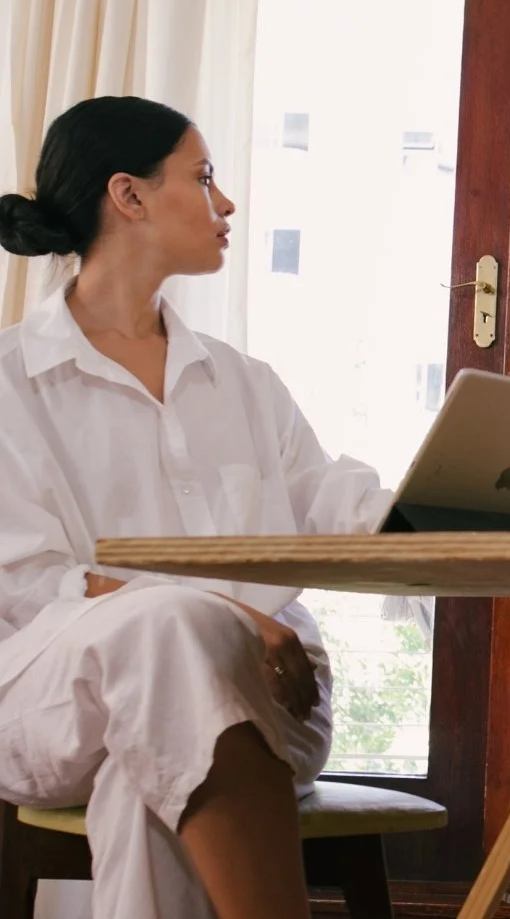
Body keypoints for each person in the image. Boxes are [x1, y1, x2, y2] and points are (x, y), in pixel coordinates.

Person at [0, 96, 391, 919]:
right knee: (174, 632)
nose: (228, 204)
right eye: (203, 177)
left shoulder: (243, 382)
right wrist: (231, 617)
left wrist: (462, 506)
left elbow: (336, 503)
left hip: (269, 701)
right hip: (52, 706)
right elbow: (36, 586)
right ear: (129, 196)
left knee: (147, 774)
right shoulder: (9, 383)